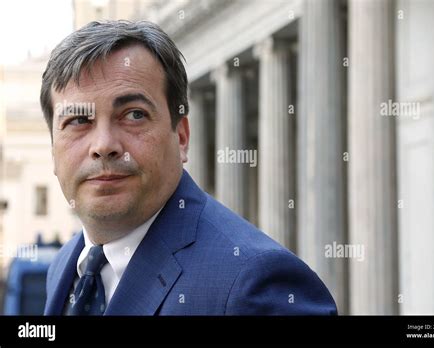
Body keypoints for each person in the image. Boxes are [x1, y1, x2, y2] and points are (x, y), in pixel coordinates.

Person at [41, 20, 337, 315]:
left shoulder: (255, 284)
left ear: (181, 136)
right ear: (53, 148)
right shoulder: (66, 266)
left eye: (134, 115)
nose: (104, 145)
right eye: (78, 121)